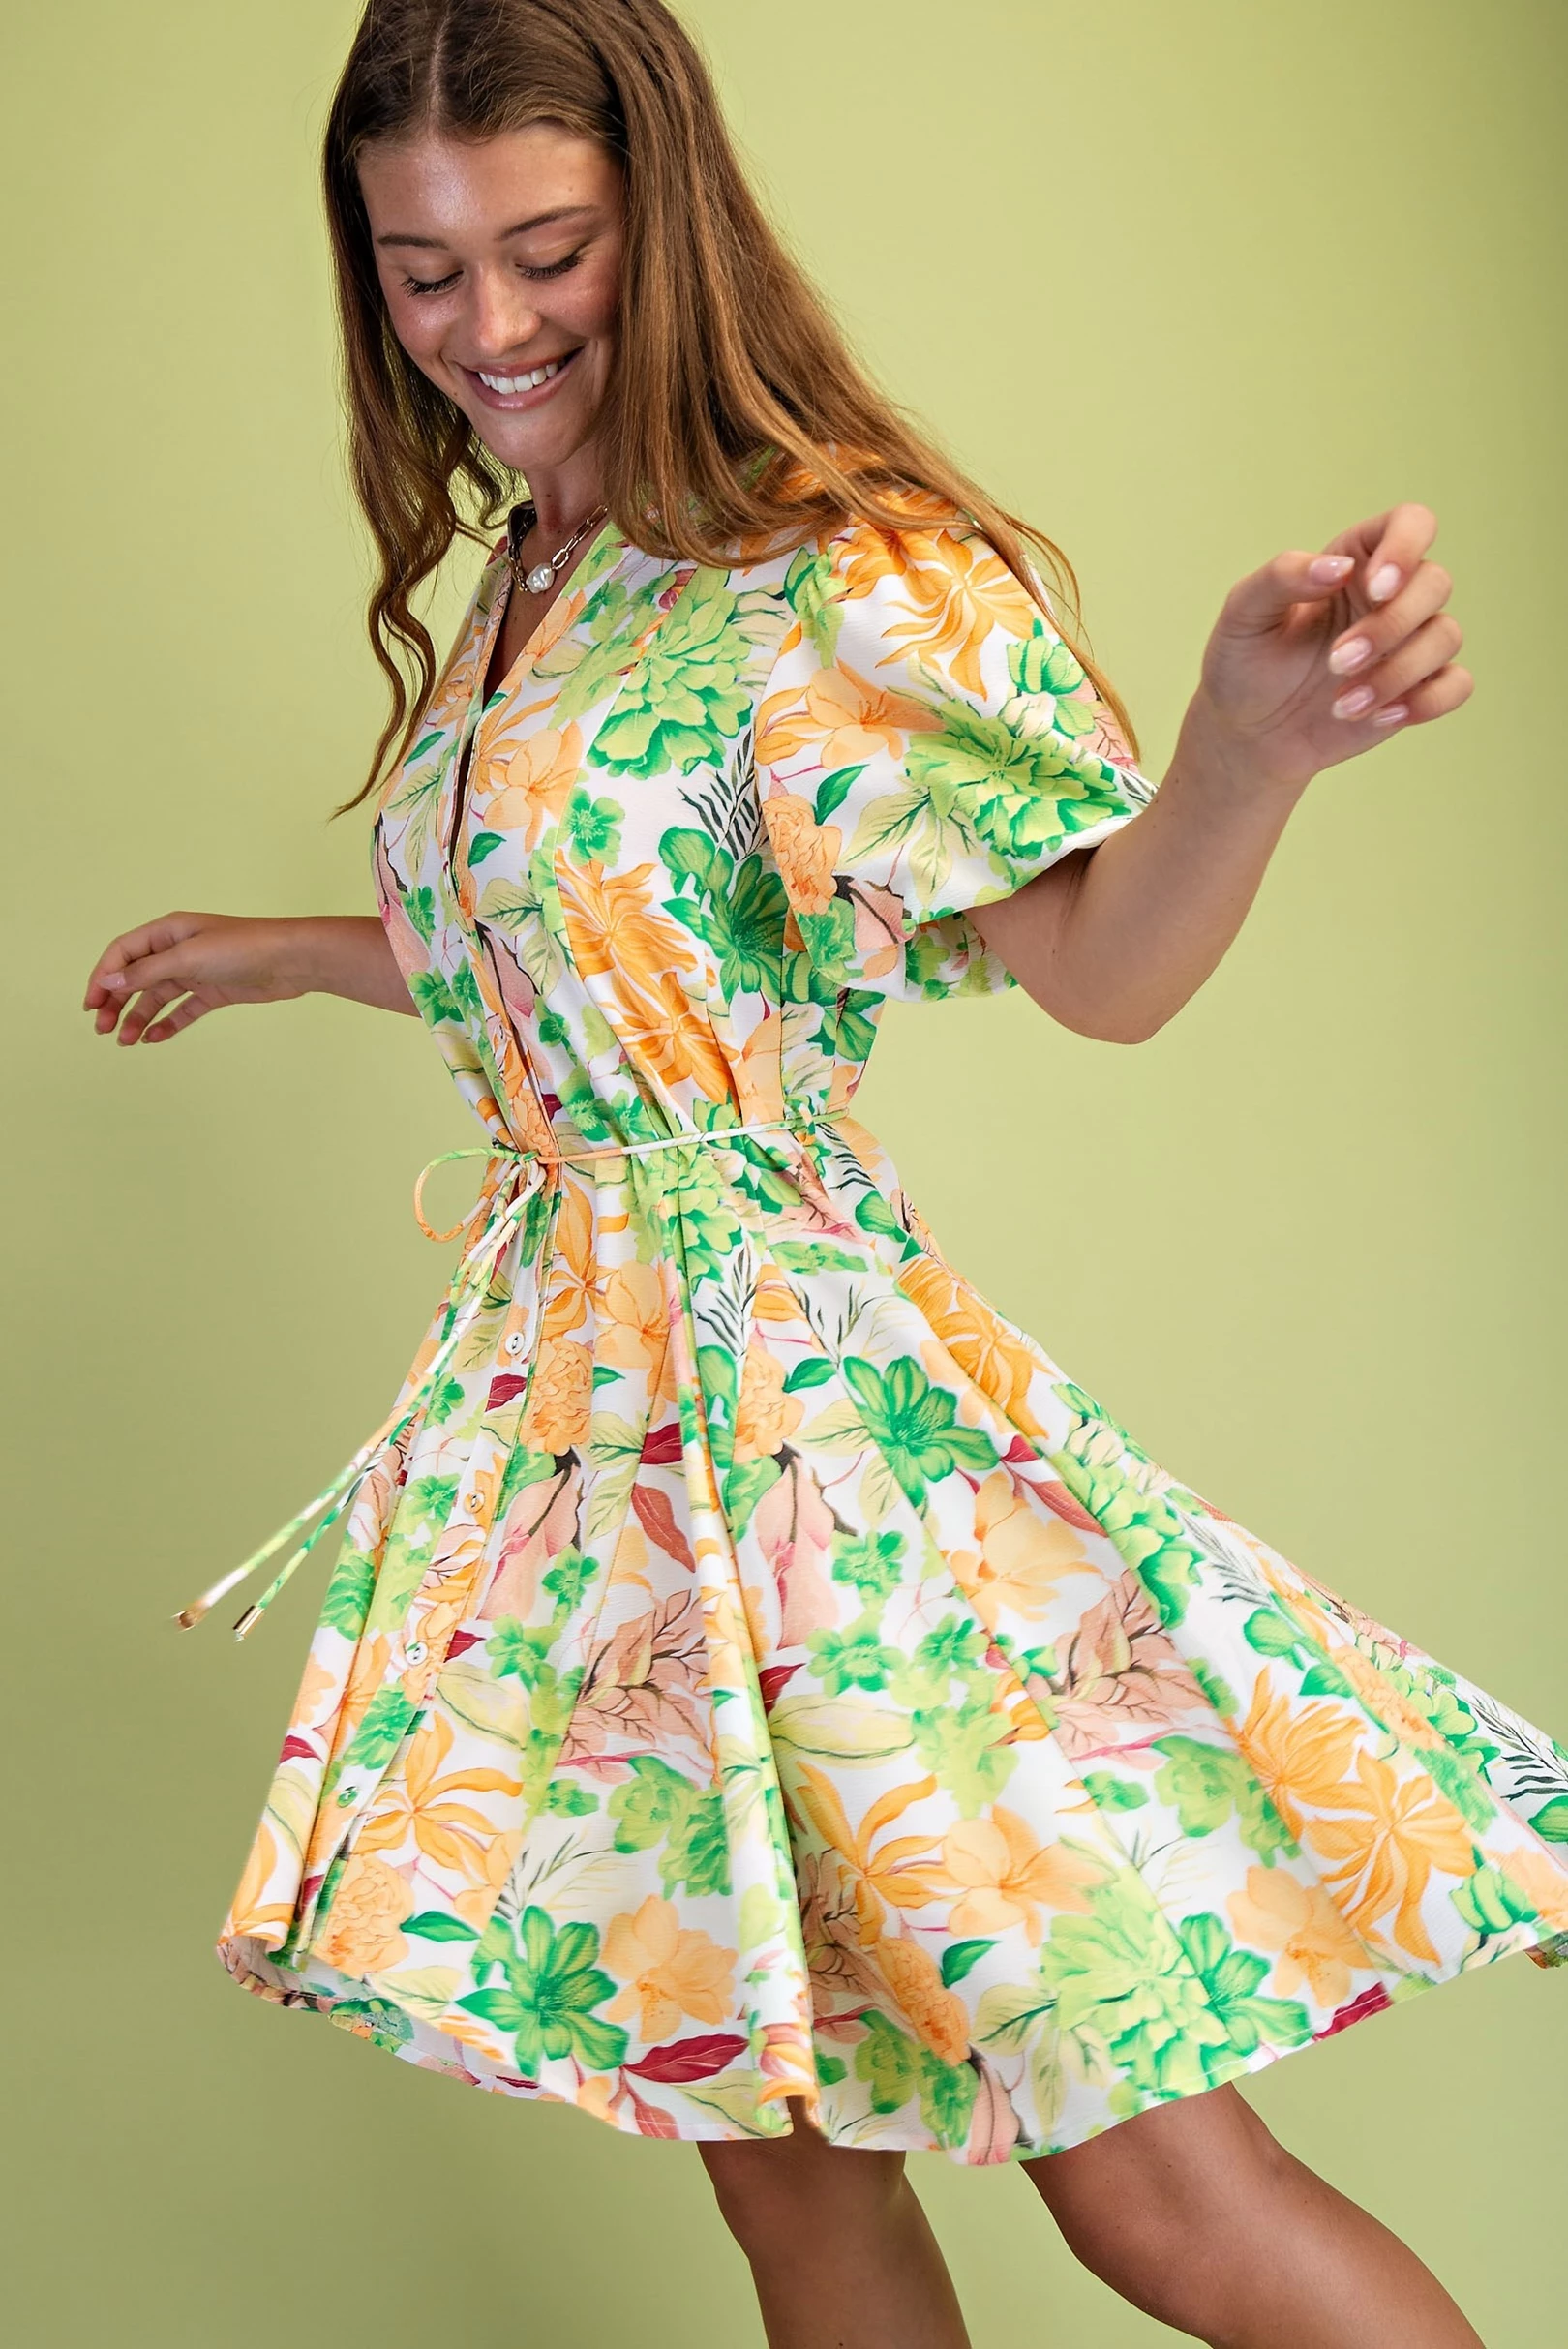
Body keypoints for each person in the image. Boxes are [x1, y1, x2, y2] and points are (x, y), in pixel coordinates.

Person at [83, 4, 1568, 2344]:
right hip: (595, 1481)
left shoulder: (821, 568)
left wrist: (1247, 751)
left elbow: (1097, 962)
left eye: (547, 251)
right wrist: (285, 953)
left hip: (801, 1451)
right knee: (795, 2199)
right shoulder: (530, 575)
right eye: (422, 269)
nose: (488, 325)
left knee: (1151, 2191)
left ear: (664, 219)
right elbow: (614, 950)